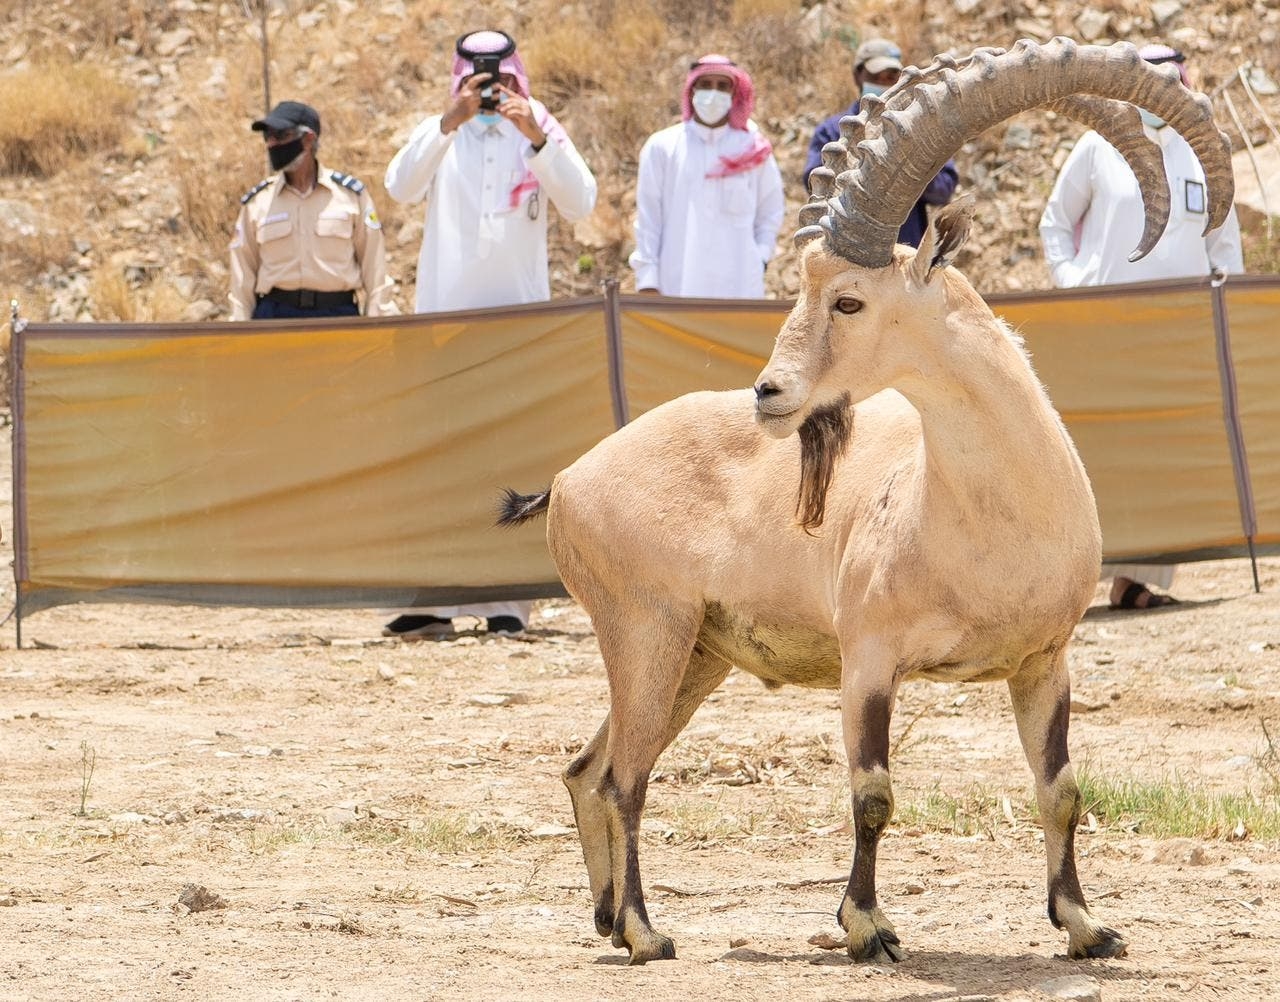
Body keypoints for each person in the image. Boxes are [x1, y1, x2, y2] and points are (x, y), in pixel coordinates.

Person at [381, 28, 597, 639]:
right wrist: (446, 121)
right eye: (478, 79)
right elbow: (398, 188)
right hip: (445, 324)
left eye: (498, 79)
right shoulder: (442, 130)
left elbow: (582, 202)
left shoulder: (538, 128)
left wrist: (536, 136)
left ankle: (510, 603)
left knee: (513, 459)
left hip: (519, 328)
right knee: (439, 459)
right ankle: (435, 596)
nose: (488, 90)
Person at [1038, 43, 1244, 610]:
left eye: (1169, 83)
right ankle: (1078, 576)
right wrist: (1075, 284)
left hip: (1178, 330)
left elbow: (1223, 244)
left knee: (1164, 445)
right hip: (1105, 323)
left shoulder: (1203, 150)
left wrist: (1223, 312)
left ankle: (1138, 579)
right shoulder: (1099, 146)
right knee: (1100, 442)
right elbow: (1055, 222)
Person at [628, 54, 785, 297]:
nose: (713, 93)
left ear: (734, 95)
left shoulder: (753, 149)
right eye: (706, 85)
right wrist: (648, 279)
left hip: (741, 285)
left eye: (722, 86)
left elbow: (770, 210)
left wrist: (761, 257)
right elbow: (649, 219)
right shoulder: (663, 147)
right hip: (677, 285)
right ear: (692, 90)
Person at [230, 100, 391, 320]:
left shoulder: (350, 197)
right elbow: (242, 278)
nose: (272, 144)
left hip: (337, 316)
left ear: (308, 139)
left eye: (280, 136)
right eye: (268, 138)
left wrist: (377, 325)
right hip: (275, 319)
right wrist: (239, 333)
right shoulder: (257, 203)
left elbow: (375, 269)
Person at [802, 37, 958, 248]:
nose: (884, 83)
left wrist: (912, 165)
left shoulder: (922, 128)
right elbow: (816, 186)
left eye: (892, 76)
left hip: (904, 253)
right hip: (849, 253)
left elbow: (944, 189)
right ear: (857, 76)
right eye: (876, 76)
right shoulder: (832, 132)